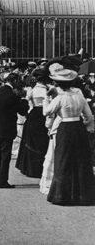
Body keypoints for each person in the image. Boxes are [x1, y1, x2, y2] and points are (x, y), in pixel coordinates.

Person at [42, 64, 95, 205]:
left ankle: (62, 195)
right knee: (81, 160)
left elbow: (46, 112)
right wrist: (86, 127)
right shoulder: (79, 94)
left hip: (65, 127)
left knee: (63, 159)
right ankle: (83, 195)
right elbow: (88, 116)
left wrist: (46, 99)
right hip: (78, 127)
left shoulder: (60, 98)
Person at [0, 72, 29, 189]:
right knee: (5, 155)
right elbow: (22, 111)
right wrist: (24, 98)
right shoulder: (13, 95)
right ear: (14, 81)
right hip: (7, 128)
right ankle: (2, 180)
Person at [16, 68, 51, 178]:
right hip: (44, 115)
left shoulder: (32, 90)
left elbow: (26, 102)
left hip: (34, 115)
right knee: (44, 142)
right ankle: (42, 169)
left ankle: (31, 169)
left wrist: (27, 113)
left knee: (31, 142)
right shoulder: (48, 90)